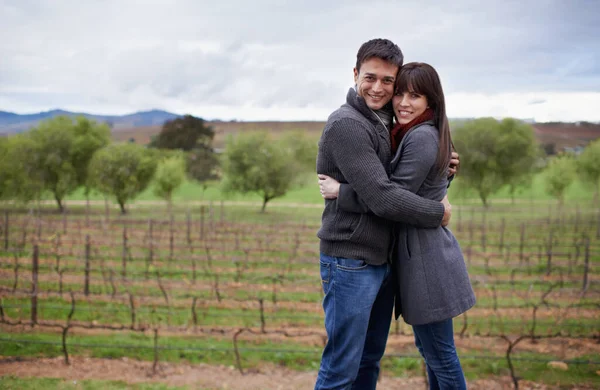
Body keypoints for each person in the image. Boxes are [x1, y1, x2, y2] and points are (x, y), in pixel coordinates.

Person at [319, 62, 476, 389]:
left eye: (414, 95)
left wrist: (342, 192)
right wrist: (442, 181)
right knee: (429, 353)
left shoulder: (418, 136)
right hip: (397, 257)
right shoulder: (387, 127)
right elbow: (399, 190)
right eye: (400, 93)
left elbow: (390, 196)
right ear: (355, 75)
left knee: (438, 354)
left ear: (431, 101)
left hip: (424, 259)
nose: (403, 101)